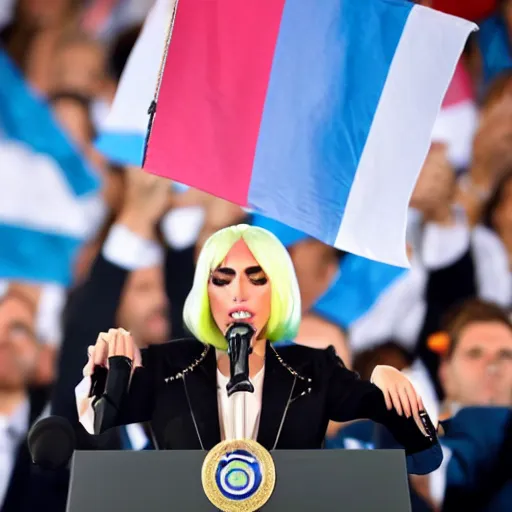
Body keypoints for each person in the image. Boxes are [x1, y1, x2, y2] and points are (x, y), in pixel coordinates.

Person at [76, 224, 441, 474]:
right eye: (222, 279)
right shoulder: (165, 366)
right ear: (205, 294)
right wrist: (108, 371)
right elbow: (96, 421)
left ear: (279, 290)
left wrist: (387, 380)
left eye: (257, 278)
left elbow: (424, 456)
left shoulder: (315, 371)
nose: (239, 293)